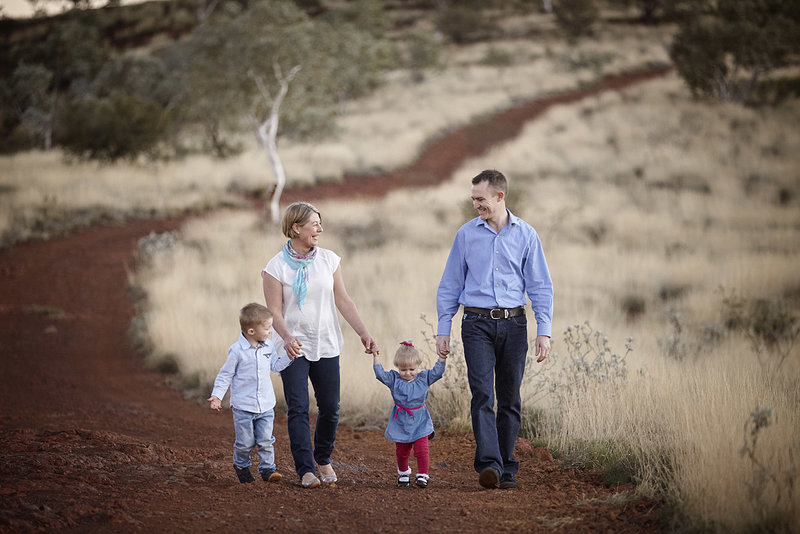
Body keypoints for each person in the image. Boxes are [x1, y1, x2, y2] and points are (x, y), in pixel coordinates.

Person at [435, 169, 553, 490]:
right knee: (483, 395)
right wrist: (443, 327)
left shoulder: (526, 234)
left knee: (510, 398)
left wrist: (544, 329)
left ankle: (507, 468)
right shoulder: (466, 235)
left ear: (500, 197)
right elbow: (450, 284)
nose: (475, 205)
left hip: (515, 324)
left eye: (480, 199)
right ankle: (489, 464)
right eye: (473, 199)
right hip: (476, 324)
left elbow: (540, 285)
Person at [262, 201, 380, 488]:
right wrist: (287, 338)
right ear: (295, 228)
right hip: (292, 348)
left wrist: (363, 332)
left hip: (326, 343)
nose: (320, 229)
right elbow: (274, 312)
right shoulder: (274, 268)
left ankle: (323, 457)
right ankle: (305, 470)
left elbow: (343, 300)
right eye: (314, 224)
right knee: (299, 407)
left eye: (320, 223)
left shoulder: (329, 259)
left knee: (330, 407)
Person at [208, 302, 294, 484]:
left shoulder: (268, 347)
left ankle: (268, 470)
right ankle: (241, 465)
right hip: (243, 407)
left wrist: (289, 357)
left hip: (266, 405)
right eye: (267, 328)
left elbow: (276, 366)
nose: (270, 331)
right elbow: (225, 375)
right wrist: (217, 396)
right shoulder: (237, 351)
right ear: (251, 331)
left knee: (266, 440)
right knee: (245, 443)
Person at [373, 341, 447, 488]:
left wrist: (442, 358)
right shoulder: (394, 379)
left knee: (422, 449)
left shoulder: (424, 377)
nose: (408, 373)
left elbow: (437, 372)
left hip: (420, 420)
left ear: (419, 365)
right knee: (401, 452)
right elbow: (380, 375)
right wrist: (375, 356)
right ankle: (404, 473)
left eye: (412, 369)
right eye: (403, 369)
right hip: (400, 421)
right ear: (397, 367)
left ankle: (422, 475)